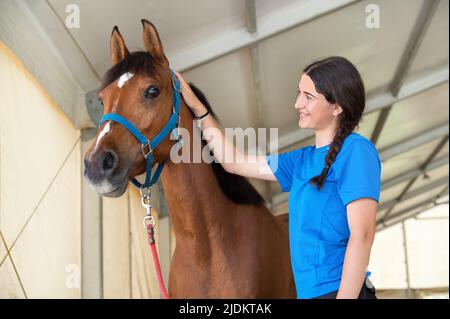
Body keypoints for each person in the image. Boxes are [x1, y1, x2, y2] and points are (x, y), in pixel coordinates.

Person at [174, 56, 380, 299]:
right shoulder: (301, 161)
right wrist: (200, 111)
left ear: (337, 107)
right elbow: (232, 161)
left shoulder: (356, 151)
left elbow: (363, 236)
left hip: (342, 292)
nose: (297, 104)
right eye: (299, 93)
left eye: (308, 97)